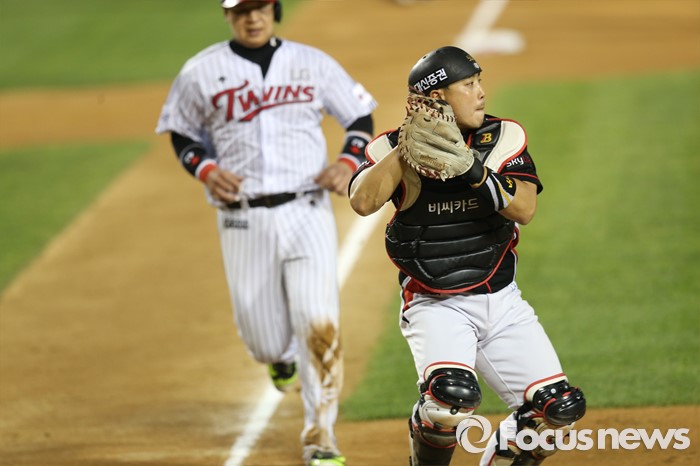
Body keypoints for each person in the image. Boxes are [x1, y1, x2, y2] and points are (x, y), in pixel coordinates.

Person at [156, 1, 377, 465]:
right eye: (241, 10)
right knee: (263, 340)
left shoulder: (312, 63)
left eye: (259, 7)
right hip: (242, 218)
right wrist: (205, 169)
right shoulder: (201, 71)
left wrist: (347, 161)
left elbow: (359, 116)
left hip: (307, 210)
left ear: (274, 9)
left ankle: (321, 437)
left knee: (319, 320)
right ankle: (280, 357)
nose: (252, 18)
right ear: (227, 15)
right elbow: (182, 132)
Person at [348, 46, 585, 466]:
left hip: (502, 301)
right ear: (436, 97)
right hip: (435, 303)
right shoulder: (390, 148)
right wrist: (405, 149)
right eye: (469, 85)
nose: (481, 93)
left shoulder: (502, 137)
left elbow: (524, 209)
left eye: (479, 82)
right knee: (448, 402)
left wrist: (471, 169)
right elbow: (362, 201)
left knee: (557, 413)